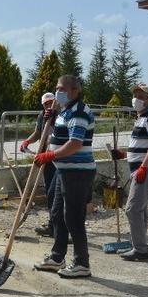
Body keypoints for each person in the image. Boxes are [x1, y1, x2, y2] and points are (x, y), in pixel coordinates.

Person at [32, 75, 96, 279]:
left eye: (62, 88)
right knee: (57, 213)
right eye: (57, 88)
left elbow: (75, 144)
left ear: (74, 91)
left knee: (73, 217)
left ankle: (81, 263)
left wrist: (50, 154)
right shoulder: (65, 110)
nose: (58, 91)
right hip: (64, 170)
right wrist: (51, 116)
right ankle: (57, 257)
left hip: (78, 172)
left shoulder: (79, 113)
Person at [110, 83, 148, 261]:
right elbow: (141, 148)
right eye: (135, 95)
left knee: (132, 210)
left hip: (144, 169)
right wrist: (124, 154)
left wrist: (143, 167)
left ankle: (140, 249)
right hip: (139, 168)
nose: (137, 99)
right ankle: (138, 245)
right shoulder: (140, 118)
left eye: (141, 96)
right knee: (140, 209)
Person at [20, 92, 57, 237]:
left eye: (51, 102)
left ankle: (59, 227)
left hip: (57, 157)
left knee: (56, 193)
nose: (49, 105)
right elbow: (37, 132)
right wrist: (27, 141)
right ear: (43, 105)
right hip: (45, 158)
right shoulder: (42, 116)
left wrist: (53, 117)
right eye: (46, 103)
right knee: (50, 192)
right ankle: (52, 224)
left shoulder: (61, 115)